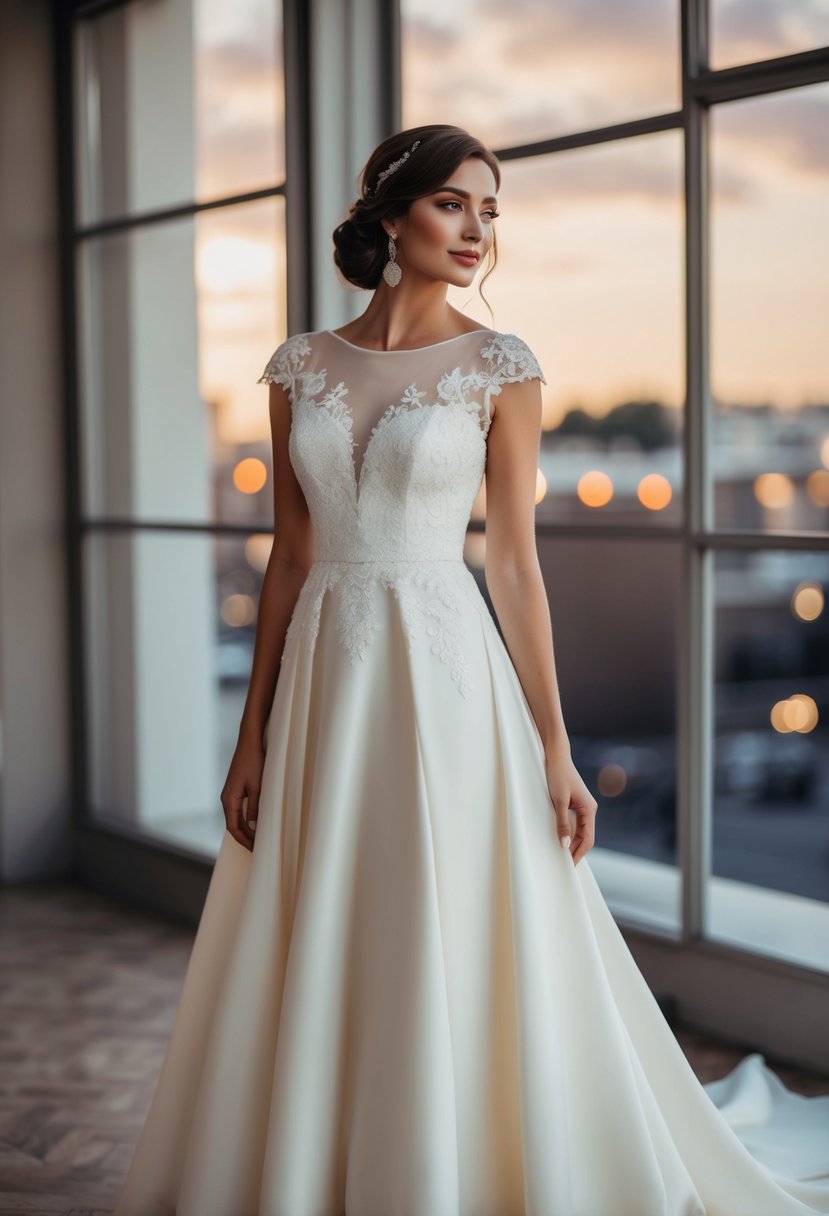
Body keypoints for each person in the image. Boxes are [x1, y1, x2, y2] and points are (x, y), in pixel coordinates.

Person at [114, 124, 829, 1216]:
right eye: (454, 204)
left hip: (445, 675)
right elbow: (292, 557)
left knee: (438, 915)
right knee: (325, 916)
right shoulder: (298, 364)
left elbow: (517, 568)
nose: (475, 231)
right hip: (322, 679)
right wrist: (249, 734)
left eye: (488, 212)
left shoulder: (502, 365)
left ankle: (450, 1162)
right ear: (391, 213)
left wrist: (556, 749)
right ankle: (324, 1156)